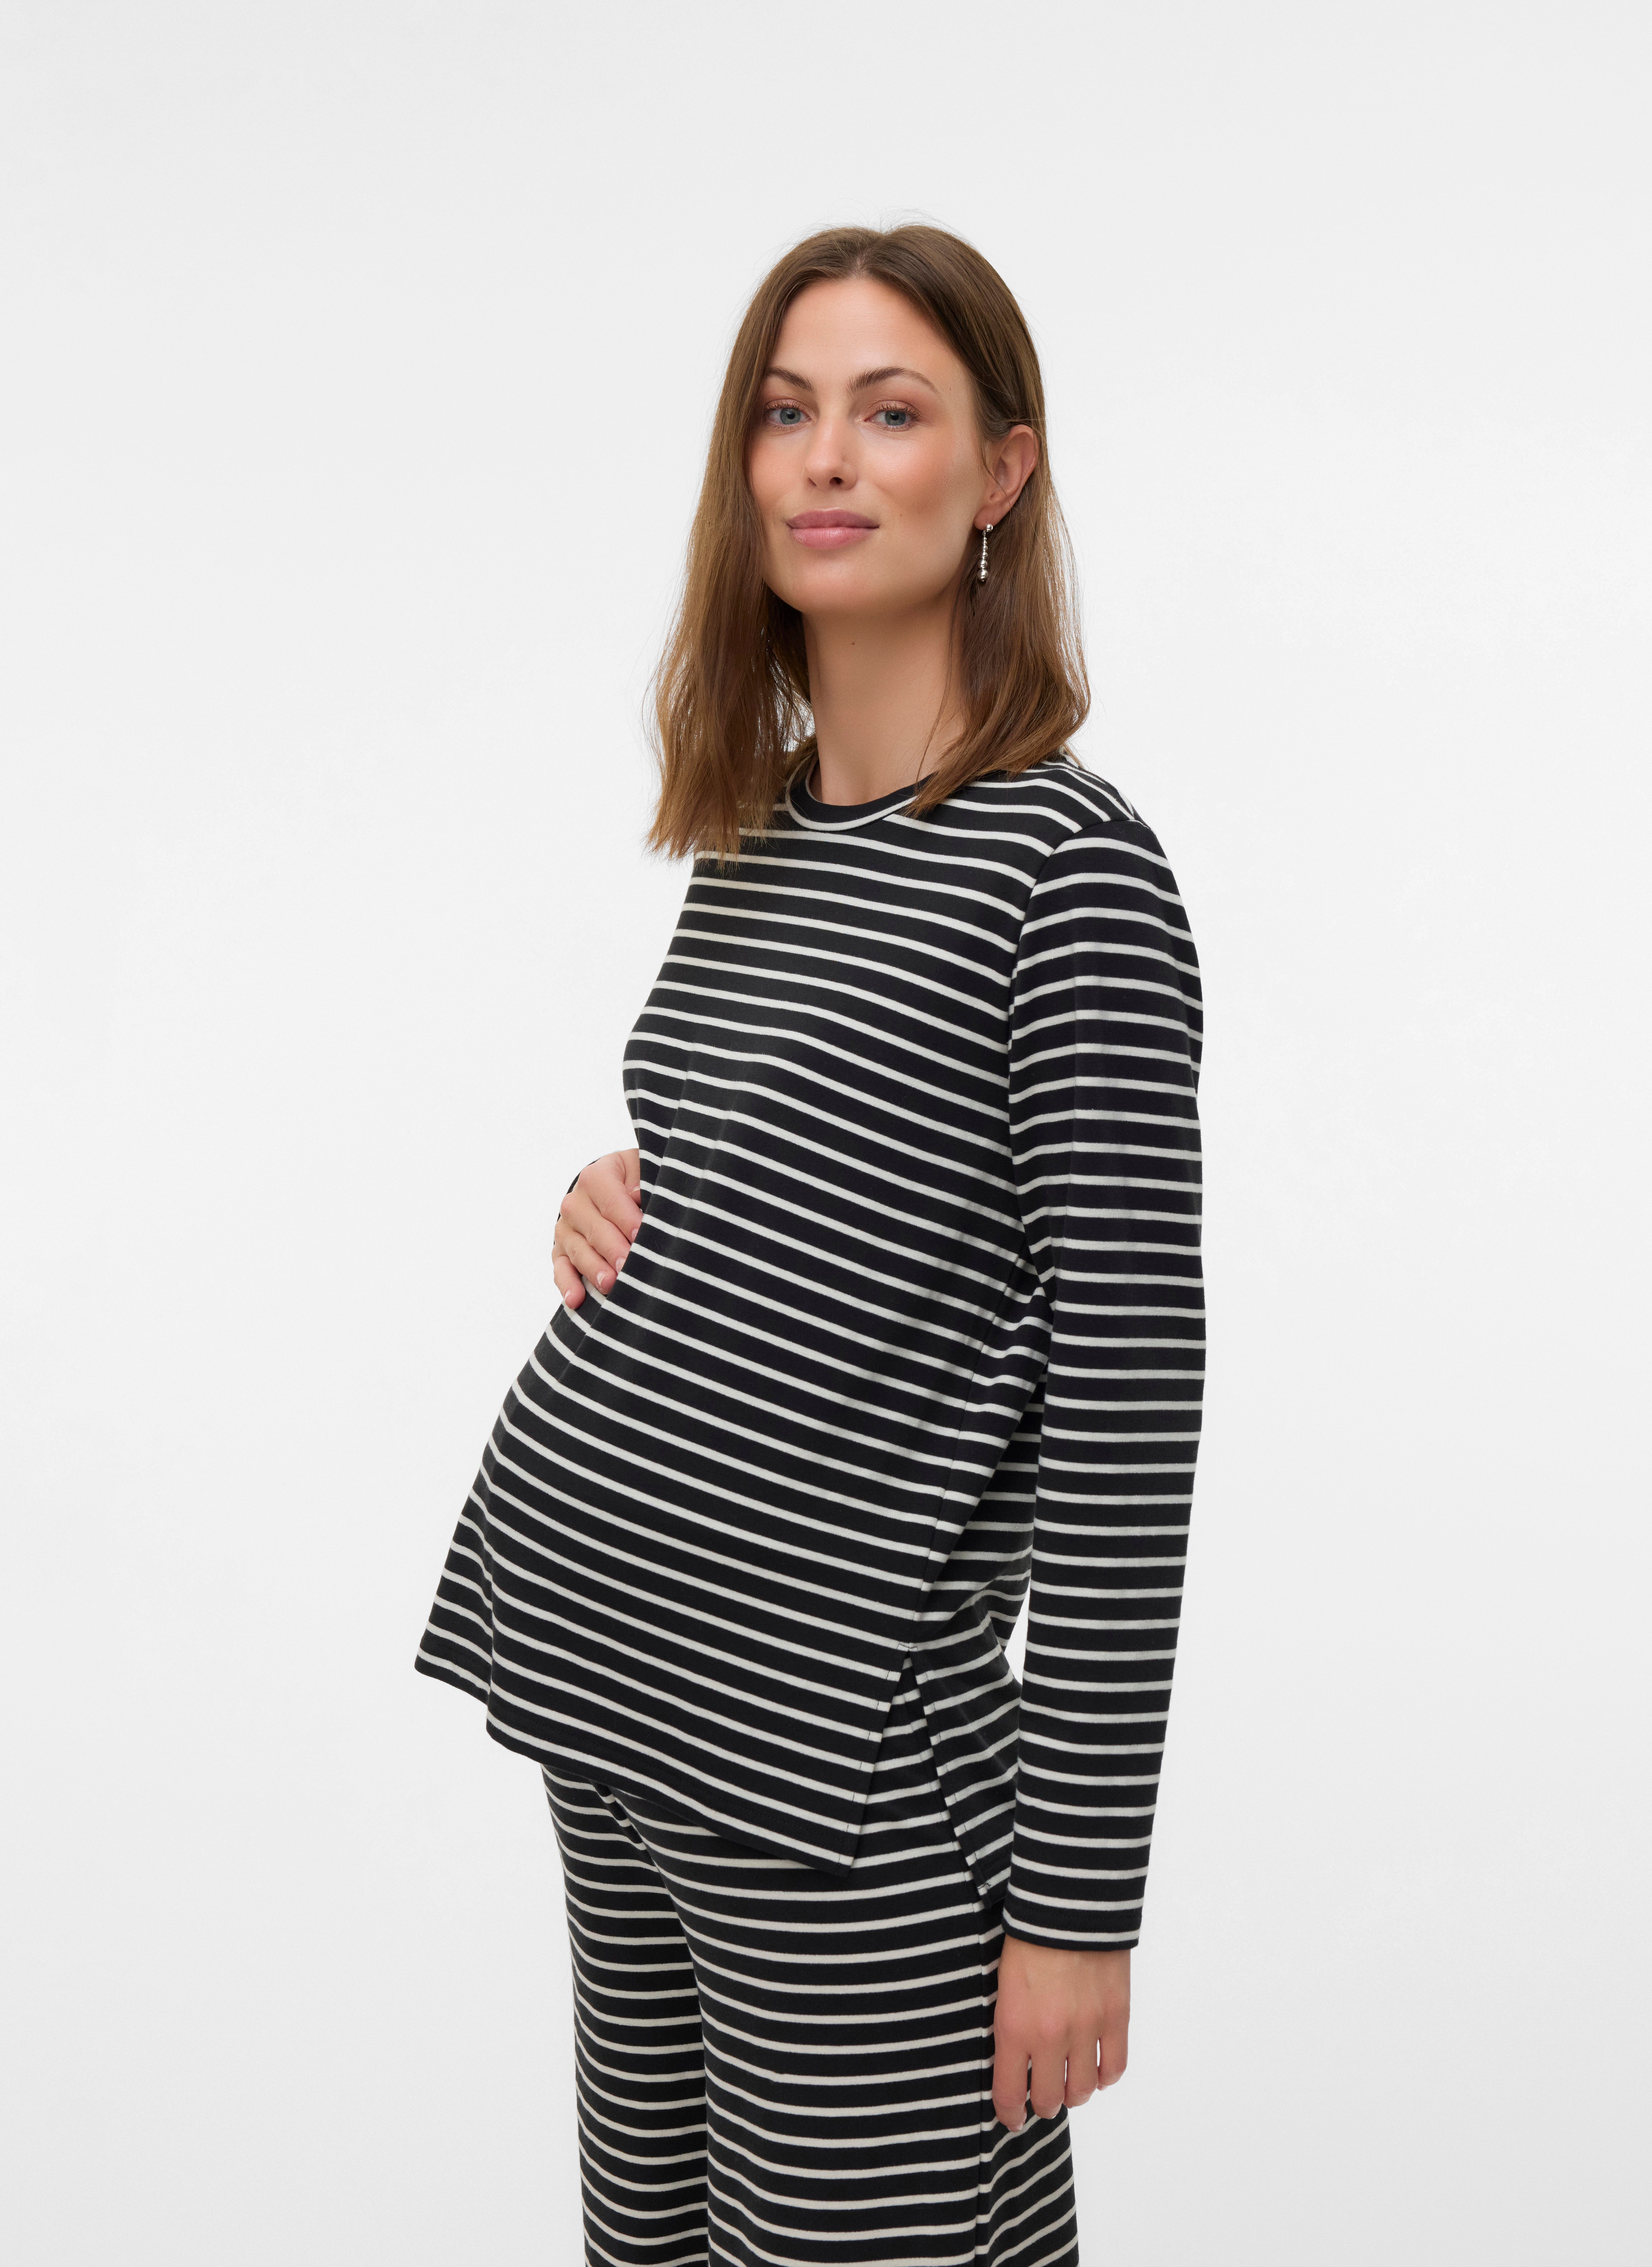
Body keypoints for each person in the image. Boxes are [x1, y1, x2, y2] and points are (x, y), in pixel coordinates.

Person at [414, 223, 1205, 2267]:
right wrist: (627, 1199)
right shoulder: (760, 832)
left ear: (1002, 472)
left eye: (890, 410)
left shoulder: (1065, 870)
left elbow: (1129, 1406)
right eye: (784, 412)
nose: (824, 458)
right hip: (609, 1679)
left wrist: (1075, 1899)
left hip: (844, 1765)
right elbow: (812, 1181)